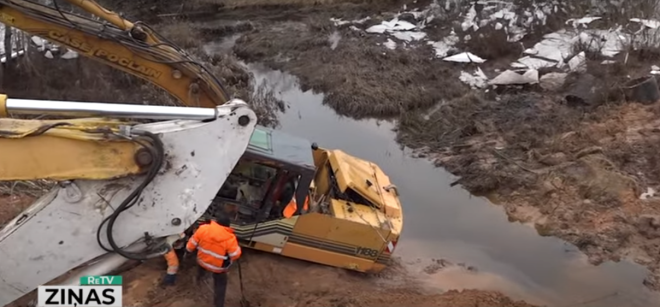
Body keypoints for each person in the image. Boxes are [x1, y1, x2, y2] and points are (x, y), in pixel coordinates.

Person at [186, 213, 242, 307]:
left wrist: (188, 251)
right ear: (227, 226)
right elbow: (235, 255)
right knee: (220, 285)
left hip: (202, 261)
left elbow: (190, 245)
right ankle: (218, 304)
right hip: (218, 269)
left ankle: (199, 282)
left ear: (216, 222)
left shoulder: (204, 229)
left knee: (201, 270)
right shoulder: (230, 238)